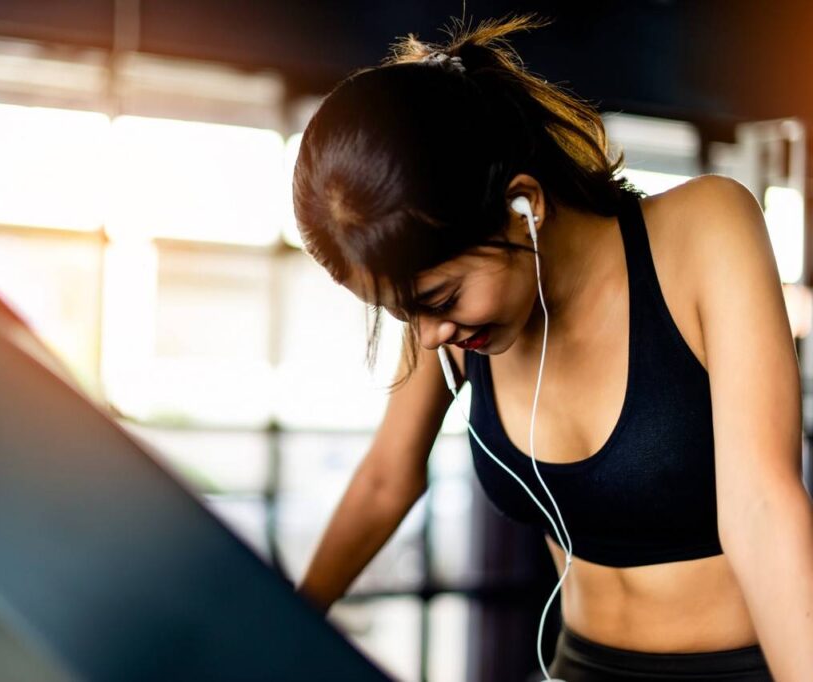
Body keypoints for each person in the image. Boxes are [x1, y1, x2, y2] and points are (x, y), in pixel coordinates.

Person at [290, 13, 813, 682]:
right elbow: (385, 480)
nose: (427, 337)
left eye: (441, 300)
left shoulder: (705, 229)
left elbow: (763, 508)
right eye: (400, 313)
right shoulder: (449, 325)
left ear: (524, 206)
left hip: (745, 667)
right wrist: (289, 619)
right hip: (580, 664)